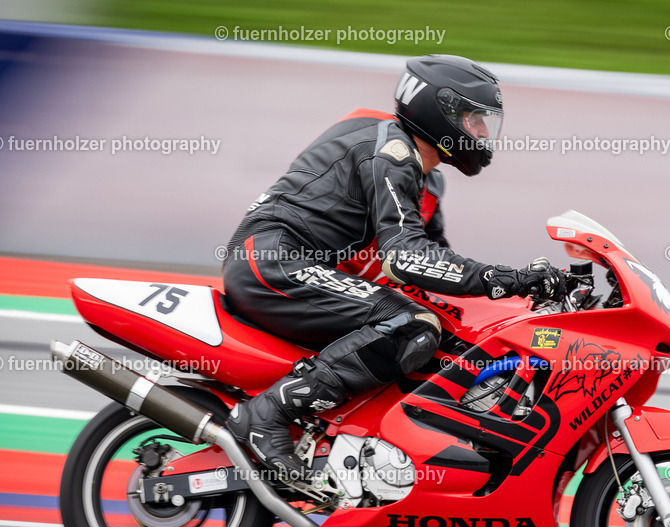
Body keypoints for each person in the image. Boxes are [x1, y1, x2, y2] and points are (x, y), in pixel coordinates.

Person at [220, 54, 565, 481]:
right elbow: (406, 259)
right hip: (273, 260)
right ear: (441, 113)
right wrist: (509, 278)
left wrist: (525, 301)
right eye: (475, 120)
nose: (481, 134)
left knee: (446, 342)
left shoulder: (426, 176)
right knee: (410, 324)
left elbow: (435, 264)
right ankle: (266, 413)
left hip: (300, 266)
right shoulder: (391, 150)